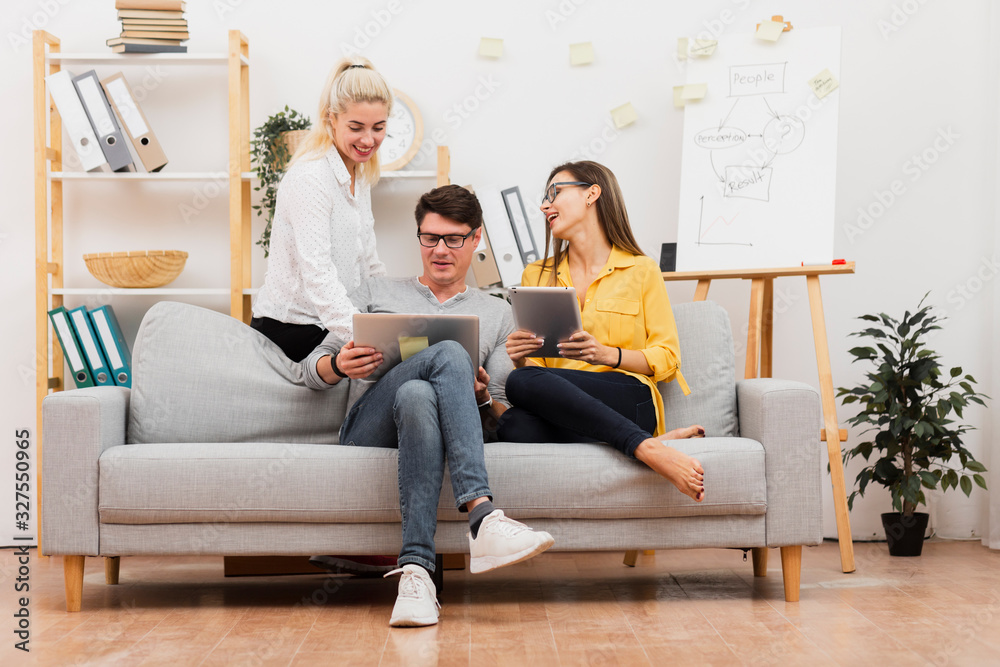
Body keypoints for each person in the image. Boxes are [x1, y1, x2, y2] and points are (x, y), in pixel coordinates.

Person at [303, 185, 554, 627]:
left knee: (417, 394)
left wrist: (478, 395)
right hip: (369, 432)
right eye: (429, 237)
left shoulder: (497, 313)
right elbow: (310, 371)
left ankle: (416, 572)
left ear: (476, 240)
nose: (440, 250)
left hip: (427, 422)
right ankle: (482, 516)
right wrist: (339, 364)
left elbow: (497, 404)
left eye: (453, 239)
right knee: (451, 353)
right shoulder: (374, 291)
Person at [497, 161, 707, 502]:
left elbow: (668, 358)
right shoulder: (535, 274)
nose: (544, 205)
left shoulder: (641, 270)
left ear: (592, 193)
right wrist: (522, 359)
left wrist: (607, 354)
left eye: (555, 193)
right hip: (566, 403)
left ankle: (642, 442)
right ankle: (648, 445)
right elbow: (539, 375)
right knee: (513, 423)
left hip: (629, 395)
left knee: (518, 386)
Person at [251, 55, 391, 362]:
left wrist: (394, 318)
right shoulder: (311, 178)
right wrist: (369, 338)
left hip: (333, 324)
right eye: (356, 127)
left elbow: (369, 263)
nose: (369, 139)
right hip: (291, 330)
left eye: (378, 127)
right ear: (331, 119)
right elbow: (319, 275)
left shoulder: (359, 173)